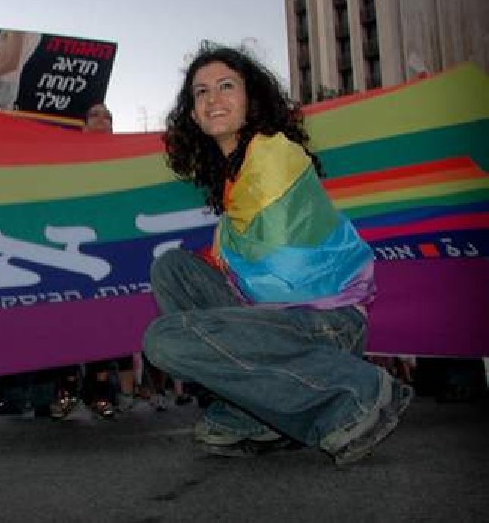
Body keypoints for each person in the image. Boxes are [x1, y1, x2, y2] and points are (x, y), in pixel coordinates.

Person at [142, 42, 412, 465]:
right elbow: (236, 261)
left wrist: (225, 283)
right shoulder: (236, 180)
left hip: (326, 325)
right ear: (193, 114)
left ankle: (354, 393)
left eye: (227, 86)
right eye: (201, 92)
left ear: (252, 100)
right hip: (280, 322)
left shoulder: (272, 154)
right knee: (173, 269)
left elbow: (281, 272)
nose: (213, 99)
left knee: (165, 340)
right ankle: (257, 412)